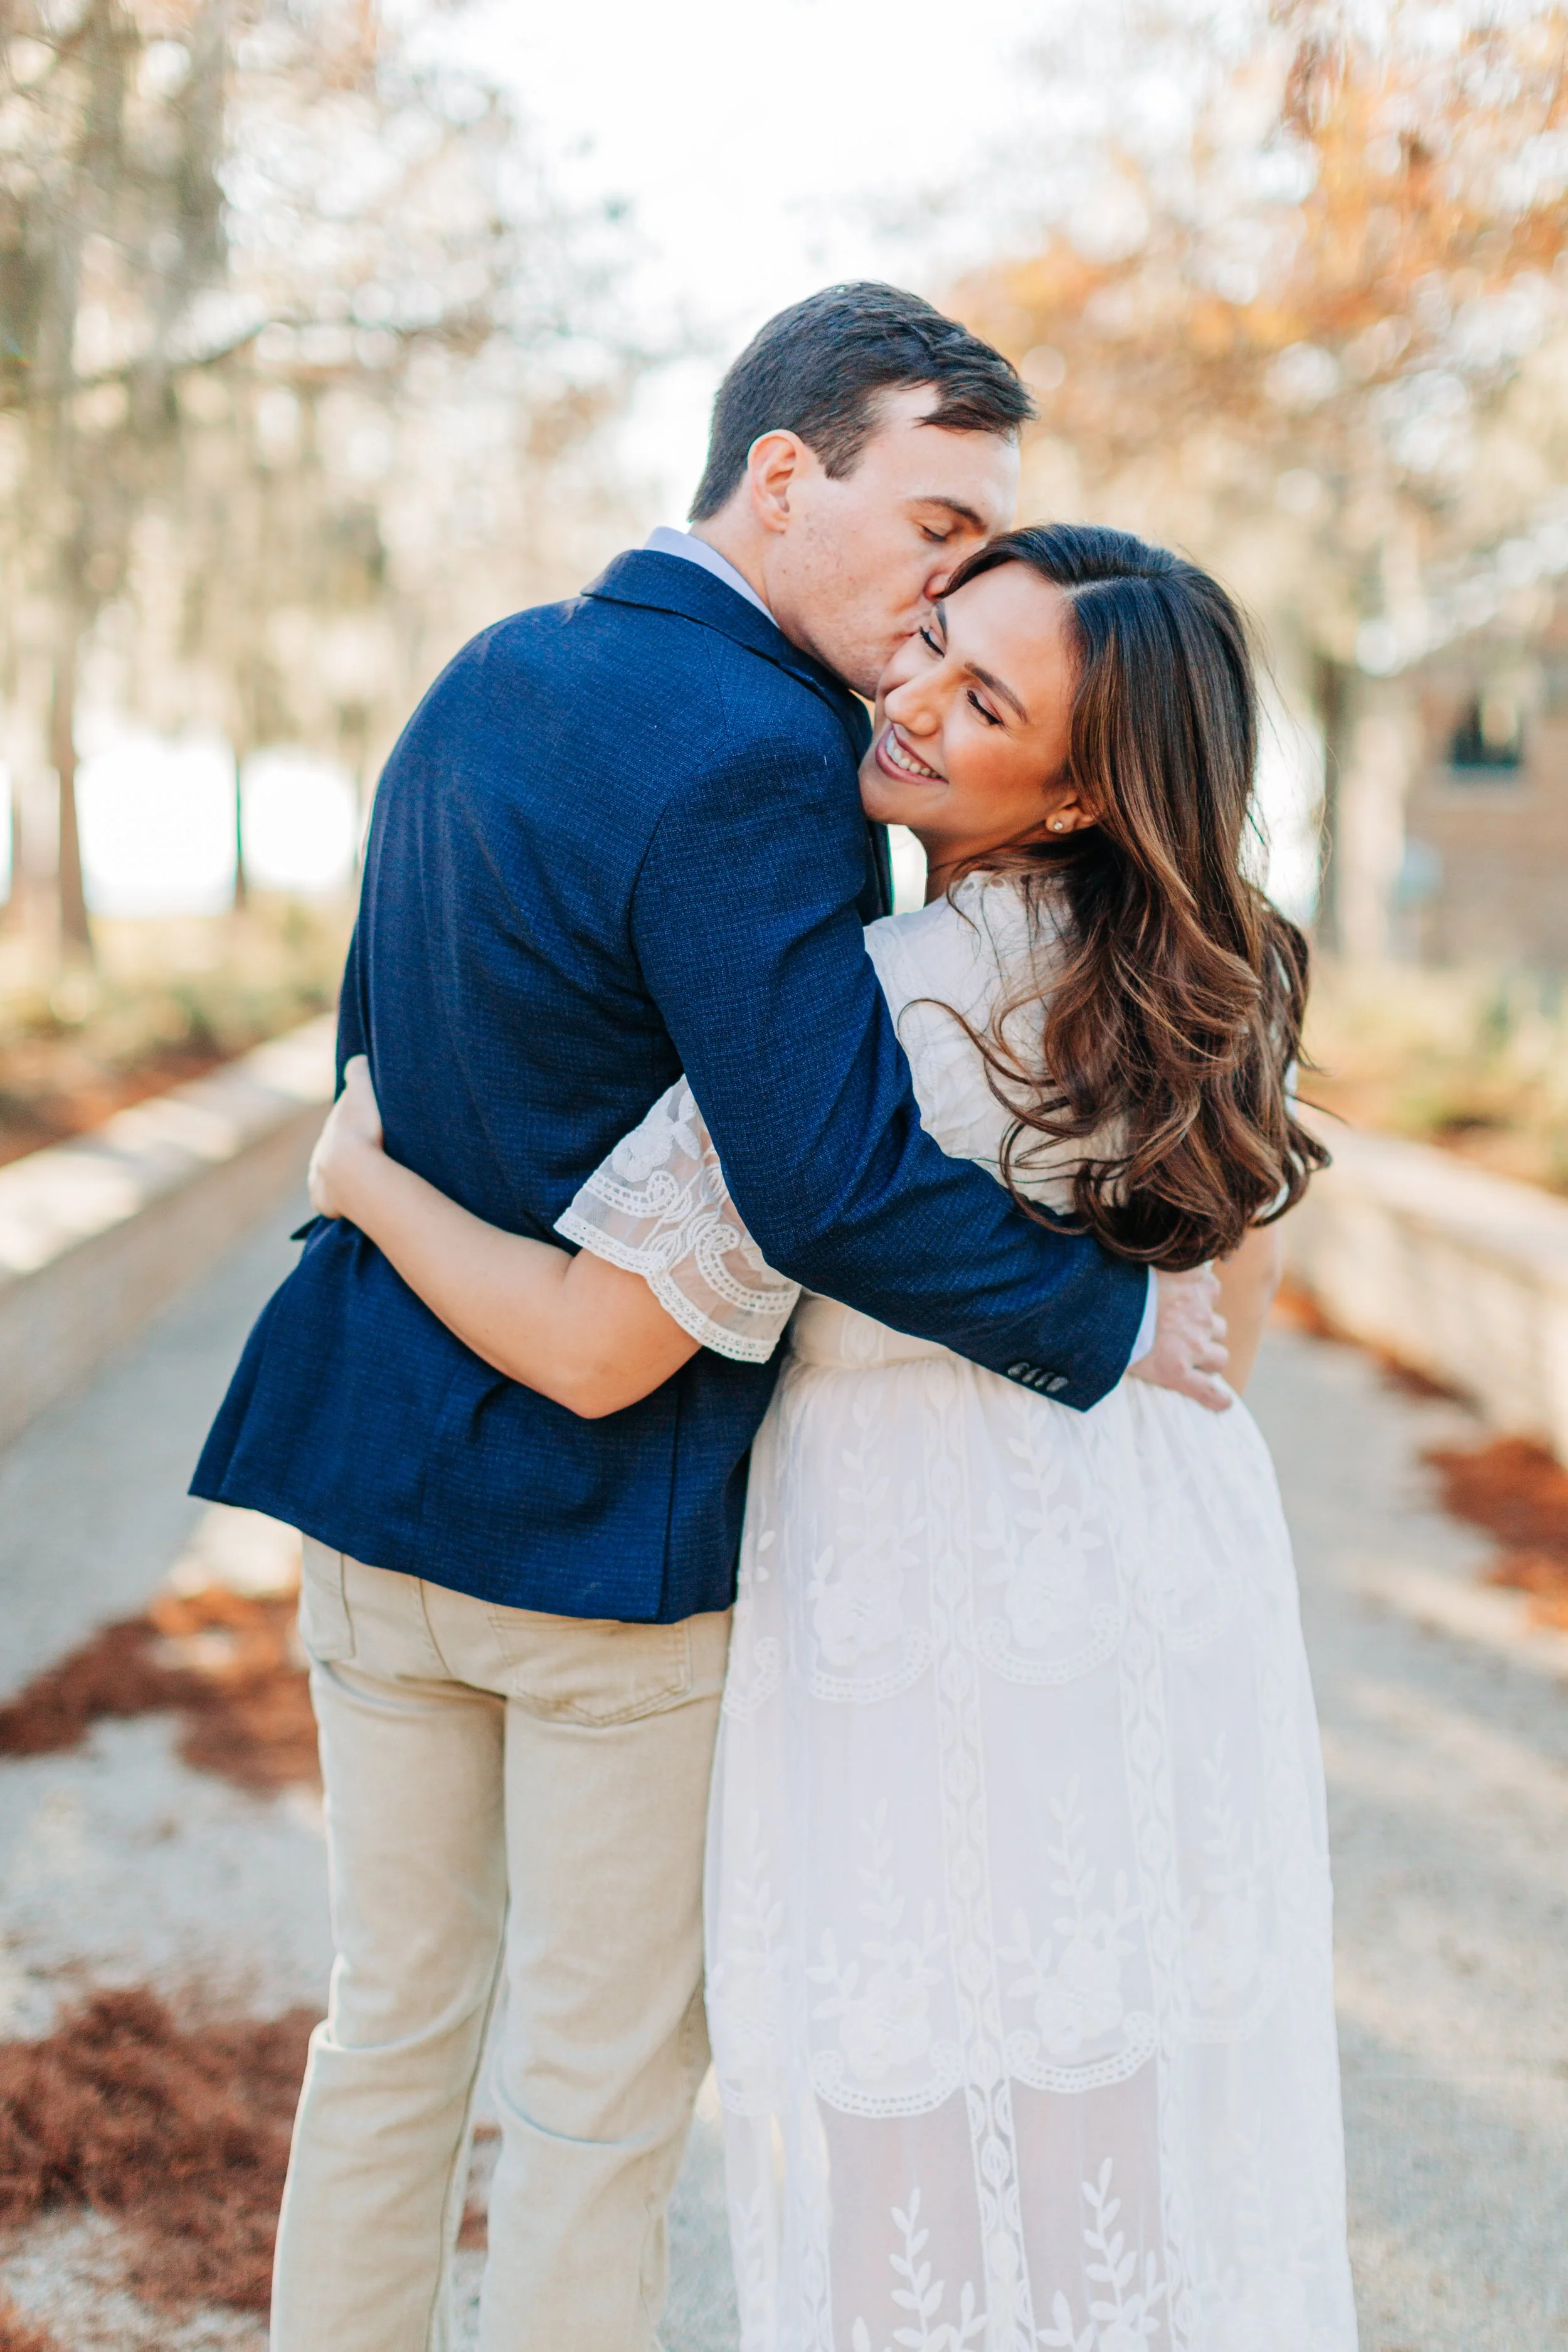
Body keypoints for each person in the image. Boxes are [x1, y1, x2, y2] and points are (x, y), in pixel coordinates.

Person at [191, 287, 1227, 2352]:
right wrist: (1104, 1327)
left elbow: (381, 1055)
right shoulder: (769, 762)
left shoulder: (483, 672)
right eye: (936, 527)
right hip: (601, 1546)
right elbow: (824, 1174)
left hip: (362, 1481)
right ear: (783, 473)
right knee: (589, 2097)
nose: (952, 586)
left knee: (388, 2028)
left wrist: (368, 1186)